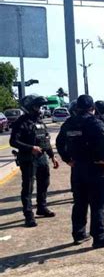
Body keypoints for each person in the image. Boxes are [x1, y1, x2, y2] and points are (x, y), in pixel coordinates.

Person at [56, 94, 104, 248]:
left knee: (80, 202)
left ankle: (79, 234)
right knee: (98, 204)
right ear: (92, 108)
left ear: (77, 107)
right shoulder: (95, 123)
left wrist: (67, 159)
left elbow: (59, 142)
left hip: (77, 169)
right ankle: (99, 237)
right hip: (95, 169)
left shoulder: (69, 123)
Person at [10, 95, 60, 227]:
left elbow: (45, 140)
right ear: (29, 107)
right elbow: (13, 141)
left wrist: (52, 156)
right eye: (37, 106)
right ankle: (28, 215)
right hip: (28, 158)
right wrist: (30, 148)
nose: (39, 109)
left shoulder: (39, 121)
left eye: (40, 107)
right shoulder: (21, 122)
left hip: (42, 157)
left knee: (44, 182)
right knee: (28, 187)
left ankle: (41, 207)